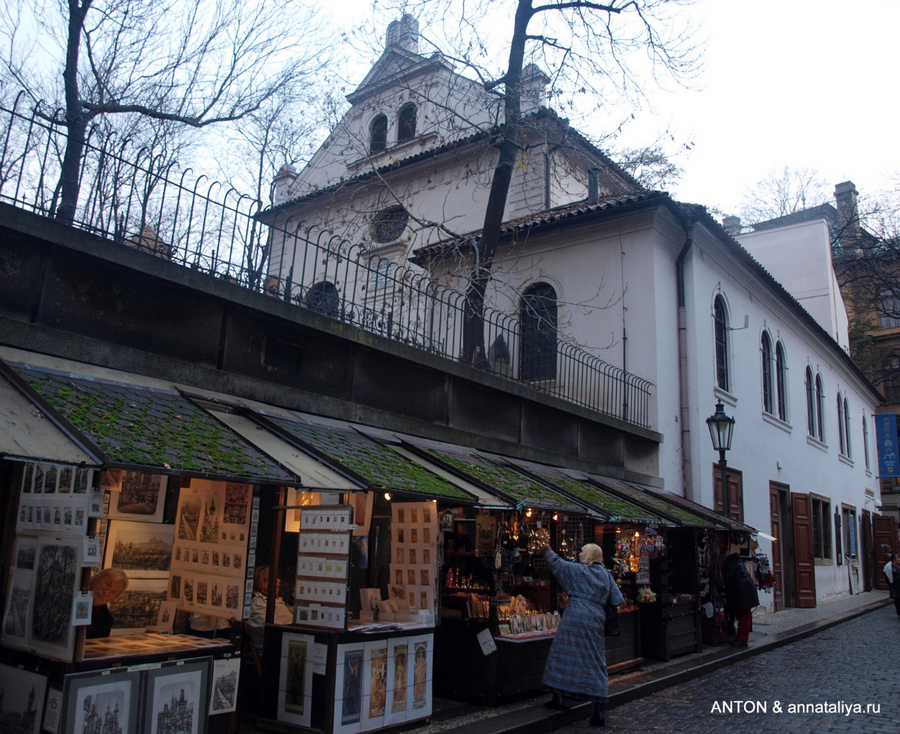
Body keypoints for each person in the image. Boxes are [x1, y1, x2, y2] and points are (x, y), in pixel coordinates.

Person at [540, 543, 624, 728]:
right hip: (595, 620)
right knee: (594, 661)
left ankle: (559, 697)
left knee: (562, 655)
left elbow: (557, 563)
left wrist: (546, 548)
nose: (579, 553)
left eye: (582, 551)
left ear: (590, 556)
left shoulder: (577, 571)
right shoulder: (605, 575)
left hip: (574, 617)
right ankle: (599, 710)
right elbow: (618, 599)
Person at [247, 566, 293, 656]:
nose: (279, 581)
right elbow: (270, 631)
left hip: (283, 645)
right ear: (264, 584)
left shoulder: (271, 600)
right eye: (275, 578)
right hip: (273, 652)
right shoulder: (259, 604)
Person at [722, 553, 759, 648]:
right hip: (746, 592)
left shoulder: (731, 565)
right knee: (744, 616)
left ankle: (743, 639)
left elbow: (728, 580)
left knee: (744, 616)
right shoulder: (737, 563)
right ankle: (740, 637)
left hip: (744, 593)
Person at [86, 567, 128, 638]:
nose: (106, 592)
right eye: (107, 584)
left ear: (114, 598)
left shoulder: (105, 620)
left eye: (113, 592)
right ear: (96, 578)